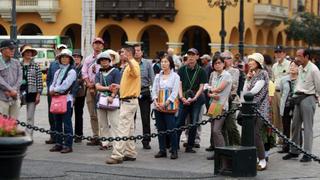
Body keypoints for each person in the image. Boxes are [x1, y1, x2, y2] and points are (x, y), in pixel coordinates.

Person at [283, 49, 320, 162]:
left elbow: (319, 86)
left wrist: (317, 99)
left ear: (306, 57)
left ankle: (307, 154)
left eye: (299, 56)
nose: (297, 58)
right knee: (295, 125)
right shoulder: (299, 68)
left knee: (307, 127)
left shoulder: (314, 69)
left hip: (308, 98)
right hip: (298, 97)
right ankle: (294, 151)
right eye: (296, 55)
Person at [106, 45, 141, 164]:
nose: (120, 54)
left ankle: (117, 155)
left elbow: (136, 73)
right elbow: (132, 82)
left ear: (128, 53)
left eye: (122, 52)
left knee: (122, 128)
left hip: (128, 101)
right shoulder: (129, 65)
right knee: (129, 129)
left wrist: (129, 61)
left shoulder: (133, 64)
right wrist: (119, 86)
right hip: (128, 100)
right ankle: (130, 153)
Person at [177, 48, 207, 153]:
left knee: (194, 122)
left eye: (193, 55)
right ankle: (175, 144)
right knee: (180, 122)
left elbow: (201, 87)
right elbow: (179, 85)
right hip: (183, 97)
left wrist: (195, 97)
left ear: (197, 57)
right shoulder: (181, 69)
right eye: (189, 55)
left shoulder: (201, 71)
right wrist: (181, 97)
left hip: (196, 99)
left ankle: (190, 146)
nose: (190, 57)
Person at [243, 52, 269, 171]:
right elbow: (244, 92)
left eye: (251, 61)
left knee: (256, 133)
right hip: (252, 109)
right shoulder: (253, 75)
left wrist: (249, 84)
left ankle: (262, 159)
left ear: (258, 62)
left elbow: (252, 92)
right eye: (249, 61)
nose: (249, 63)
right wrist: (247, 79)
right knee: (252, 134)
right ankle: (257, 157)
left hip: (260, 109)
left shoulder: (263, 74)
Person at [49, 49, 77, 153]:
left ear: (70, 59)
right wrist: (51, 89)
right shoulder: (57, 71)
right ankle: (58, 143)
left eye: (66, 57)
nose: (64, 59)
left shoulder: (72, 71)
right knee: (57, 122)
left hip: (66, 99)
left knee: (67, 123)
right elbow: (53, 82)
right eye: (62, 57)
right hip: (57, 99)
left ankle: (68, 145)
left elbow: (66, 84)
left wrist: (54, 90)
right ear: (60, 59)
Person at [152, 55, 180, 159]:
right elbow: (154, 89)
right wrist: (155, 101)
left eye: (166, 62)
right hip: (158, 105)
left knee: (171, 128)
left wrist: (166, 103)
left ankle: (174, 150)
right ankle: (162, 150)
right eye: (162, 62)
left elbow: (175, 92)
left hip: (169, 106)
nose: (163, 64)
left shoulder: (175, 76)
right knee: (160, 129)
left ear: (170, 63)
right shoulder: (157, 76)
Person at [206, 54, 232, 160]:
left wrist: (211, 91)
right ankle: (218, 152)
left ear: (223, 64)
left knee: (217, 130)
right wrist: (212, 93)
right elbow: (209, 92)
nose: (217, 65)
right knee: (213, 130)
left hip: (221, 105)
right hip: (213, 105)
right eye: (215, 63)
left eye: (219, 63)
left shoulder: (226, 75)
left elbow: (219, 89)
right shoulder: (214, 74)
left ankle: (223, 154)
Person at [95, 51, 121, 150]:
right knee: (102, 123)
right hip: (101, 100)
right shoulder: (99, 73)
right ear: (99, 62)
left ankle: (116, 144)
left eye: (106, 60)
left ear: (109, 61)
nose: (104, 61)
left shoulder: (115, 71)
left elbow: (117, 86)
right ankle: (105, 143)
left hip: (112, 99)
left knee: (114, 123)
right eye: (102, 60)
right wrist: (108, 88)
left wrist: (112, 95)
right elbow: (97, 86)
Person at [82, 37, 104, 146]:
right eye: (96, 43)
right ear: (93, 45)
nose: (97, 45)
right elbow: (84, 72)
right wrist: (88, 83)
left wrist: (96, 84)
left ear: (102, 46)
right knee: (92, 113)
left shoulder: (106, 57)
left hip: (102, 88)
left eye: (100, 44)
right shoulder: (88, 59)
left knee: (102, 113)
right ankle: (96, 135)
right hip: (90, 87)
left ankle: (104, 136)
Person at [134, 44, 155, 149]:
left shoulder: (147, 64)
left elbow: (153, 79)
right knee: (131, 118)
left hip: (145, 91)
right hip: (132, 93)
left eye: (138, 50)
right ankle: (129, 139)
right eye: (135, 50)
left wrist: (153, 95)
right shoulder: (130, 64)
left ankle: (146, 140)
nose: (136, 52)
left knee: (145, 118)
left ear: (142, 52)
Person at [45, 44, 67, 144]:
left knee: (64, 115)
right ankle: (53, 135)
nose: (61, 51)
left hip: (63, 94)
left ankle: (64, 136)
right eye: (60, 50)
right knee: (51, 114)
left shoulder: (70, 65)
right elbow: (49, 78)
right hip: (52, 94)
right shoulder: (53, 64)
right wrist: (51, 90)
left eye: (63, 50)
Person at [20, 45, 42, 138]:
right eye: (27, 52)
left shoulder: (35, 66)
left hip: (32, 92)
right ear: (23, 53)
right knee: (13, 114)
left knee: (30, 116)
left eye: (30, 52)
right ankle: (11, 132)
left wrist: (38, 94)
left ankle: (29, 135)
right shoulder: (18, 65)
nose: (29, 53)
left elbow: (39, 80)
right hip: (19, 92)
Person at [278, 61, 299, 153]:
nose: (292, 67)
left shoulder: (301, 79)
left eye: (295, 66)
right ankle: (285, 147)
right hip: (286, 106)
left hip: (297, 107)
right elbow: (282, 92)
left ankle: (297, 148)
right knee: (285, 127)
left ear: (299, 68)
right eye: (291, 66)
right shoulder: (283, 79)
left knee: (296, 127)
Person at [220, 51, 240, 146]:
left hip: (232, 100)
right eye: (223, 58)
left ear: (231, 60)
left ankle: (237, 145)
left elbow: (233, 85)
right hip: (219, 100)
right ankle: (224, 147)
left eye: (227, 58)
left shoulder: (235, 71)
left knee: (231, 125)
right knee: (220, 126)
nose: (225, 60)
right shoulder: (218, 71)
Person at [0, 40, 22, 119]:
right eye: (10, 48)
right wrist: (10, 90)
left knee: (14, 124)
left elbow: (20, 78)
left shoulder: (16, 62)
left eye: (14, 48)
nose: (13, 50)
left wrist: (14, 91)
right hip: (2, 98)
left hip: (14, 97)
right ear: (2, 50)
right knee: (2, 126)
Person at [271, 45, 290, 134]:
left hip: (284, 93)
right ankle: (278, 136)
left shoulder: (289, 64)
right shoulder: (274, 66)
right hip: (274, 92)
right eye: (276, 52)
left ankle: (285, 137)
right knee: (275, 116)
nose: (278, 54)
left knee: (283, 115)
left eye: (280, 52)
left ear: (284, 54)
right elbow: (273, 79)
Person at [72, 50, 86, 143]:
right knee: (68, 114)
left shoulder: (82, 67)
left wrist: (75, 80)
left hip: (80, 94)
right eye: (75, 56)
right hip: (70, 93)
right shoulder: (71, 67)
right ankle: (69, 133)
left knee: (78, 114)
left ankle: (78, 134)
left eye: (78, 57)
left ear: (81, 58)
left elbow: (82, 79)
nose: (76, 58)